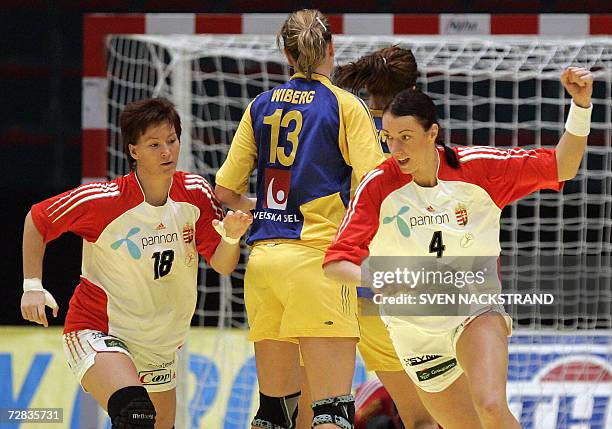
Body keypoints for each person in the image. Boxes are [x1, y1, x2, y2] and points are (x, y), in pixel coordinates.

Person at [323, 67, 593, 429]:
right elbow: (335, 263)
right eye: (389, 138)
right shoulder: (377, 187)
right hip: (414, 329)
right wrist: (376, 278)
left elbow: (563, 165)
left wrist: (581, 105)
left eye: (405, 137)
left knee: (492, 406)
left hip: (473, 306)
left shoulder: (480, 169)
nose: (395, 149)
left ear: (432, 133)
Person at [20, 97, 252, 429]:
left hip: (159, 345)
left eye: (171, 141)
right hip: (98, 330)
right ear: (134, 151)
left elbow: (222, 264)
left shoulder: (196, 193)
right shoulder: (104, 201)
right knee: (135, 414)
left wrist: (231, 238)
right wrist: (32, 286)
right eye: (154, 144)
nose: (166, 152)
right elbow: (37, 219)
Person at [214, 9, 385, 429]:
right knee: (332, 411)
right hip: (317, 263)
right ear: (331, 48)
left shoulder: (260, 105)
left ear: (287, 55)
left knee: (274, 413)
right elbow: (375, 188)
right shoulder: (346, 106)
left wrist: (271, 204)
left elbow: (224, 192)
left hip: (264, 264)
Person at [332, 46, 439, 429]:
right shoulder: (417, 141)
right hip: (413, 295)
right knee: (433, 420)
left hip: (354, 296)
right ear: (411, 88)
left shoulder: (344, 130)